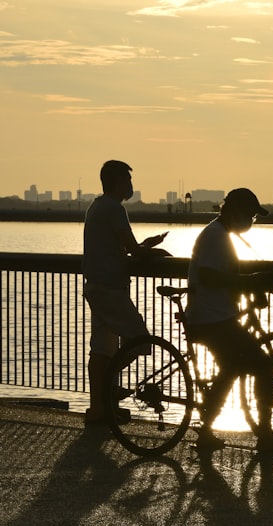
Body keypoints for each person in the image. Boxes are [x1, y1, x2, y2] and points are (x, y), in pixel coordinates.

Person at [185, 187, 273, 455]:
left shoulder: (221, 234)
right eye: (251, 215)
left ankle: (207, 429)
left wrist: (252, 287)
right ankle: (266, 437)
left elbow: (227, 278)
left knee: (230, 367)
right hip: (212, 319)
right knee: (262, 365)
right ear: (236, 213)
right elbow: (212, 277)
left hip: (213, 316)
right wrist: (253, 282)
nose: (252, 221)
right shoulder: (216, 237)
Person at [82, 159, 168, 425]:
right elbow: (133, 250)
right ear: (118, 182)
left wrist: (141, 247)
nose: (131, 186)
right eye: (128, 181)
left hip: (96, 285)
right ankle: (109, 390)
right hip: (110, 288)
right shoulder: (114, 209)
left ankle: (99, 408)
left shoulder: (96, 207)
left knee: (101, 349)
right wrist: (153, 250)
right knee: (139, 338)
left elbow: (119, 247)